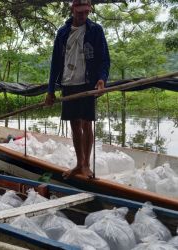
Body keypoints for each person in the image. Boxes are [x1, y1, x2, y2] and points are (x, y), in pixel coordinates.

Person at [45, 0, 110, 178]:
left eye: (86, 12)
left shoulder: (95, 30)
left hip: (87, 83)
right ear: (73, 9)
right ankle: (79, 164)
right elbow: (56, 63)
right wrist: (51, 90)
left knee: (87, 123)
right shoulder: (63, 32)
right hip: (68, 83)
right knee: (74, 125)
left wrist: (102, 80)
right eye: (80, 12)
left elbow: (104, 59)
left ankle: (87, 165)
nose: (83, 15)